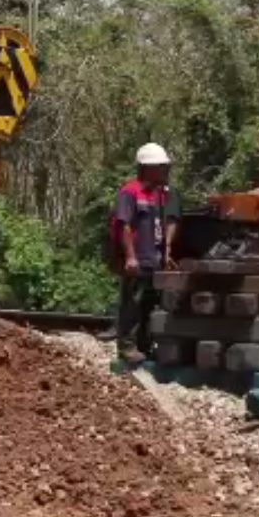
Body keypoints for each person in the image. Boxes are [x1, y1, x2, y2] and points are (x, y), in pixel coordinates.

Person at [114, 143, 180, 365]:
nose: (165, 172)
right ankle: (127, 347)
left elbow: (164, 223)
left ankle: (143, 346)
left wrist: (166, 251)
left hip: (155, 260)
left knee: (150, 306)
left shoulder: (160, 195)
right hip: (138, 260)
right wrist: (130, 256)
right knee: (132, 304)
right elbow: (123, 225)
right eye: (161, 167)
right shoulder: (130, 192)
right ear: (147, 168)